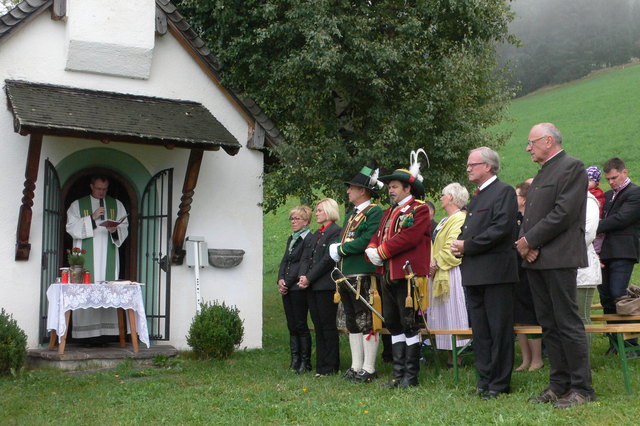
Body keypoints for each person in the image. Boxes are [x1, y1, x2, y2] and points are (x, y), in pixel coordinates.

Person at [516, 122, 595, 408]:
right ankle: (559, 385)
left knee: (567, 322)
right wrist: (527, 245)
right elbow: (533, 216)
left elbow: (563, 213)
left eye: (531, 142)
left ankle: (582, 389)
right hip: (537, 258)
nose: (528, 148)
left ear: (548, 141)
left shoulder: (572, 167)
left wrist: (530, 241)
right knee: (549, 325)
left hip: (559, 257)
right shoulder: (543, 173)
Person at [450, 147, 518, 400]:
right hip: (474, 272)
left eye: (472, 164)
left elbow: (501, 228)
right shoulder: (477, 197)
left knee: (499, 329)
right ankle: (485, 379)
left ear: (487, 166)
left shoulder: (504, 192)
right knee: (480, 330)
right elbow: (471, 230)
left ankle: (499, 383)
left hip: (497, 272)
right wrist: (458, 243)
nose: (468, 168)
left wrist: (468, 245)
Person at [366, 156, 431, 389]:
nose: (390, 190)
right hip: (387, 274)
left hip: (408, 275)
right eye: (390, 186)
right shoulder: (388, 212)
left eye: (395, 186)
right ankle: (398, 374)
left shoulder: (420, 210)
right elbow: (377, 235)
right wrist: (371, 249)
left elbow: (410, 237)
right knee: (393, 323)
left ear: (407, 188)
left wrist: (381, 251)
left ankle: (410, 377)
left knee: (409, 322)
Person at [329, 165, 384, 383]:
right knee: (352, 320)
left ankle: (369, 368)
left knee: (366, 319)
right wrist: (339, 247)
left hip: (363, 272)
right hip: (347, 273)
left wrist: (341, 249)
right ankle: (356, 365)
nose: (348, 191)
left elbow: (367, 239)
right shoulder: (353, 214)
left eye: (351, 188)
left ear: (363, 190)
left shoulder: (374, 212)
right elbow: (347, 237)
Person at [66, 176, 129, 338]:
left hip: (108, 252)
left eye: (105, 189)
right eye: (99, 189)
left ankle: (108, 332)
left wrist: (115, 230)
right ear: (91, 186)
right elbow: (71, 227)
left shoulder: (117, 204)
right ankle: (85, 334)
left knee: (108, 288)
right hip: (86, 255)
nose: (102, 192)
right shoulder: (77, 205)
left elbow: (124, 226)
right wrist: (92, 219)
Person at [596, 157, 640, 354]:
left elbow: (622, 219)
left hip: (623, 251)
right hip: (604, 252)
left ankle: (630, 344)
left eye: (614, 177)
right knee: (605, 296)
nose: (612, 181)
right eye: (608, 179)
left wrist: (592, 227)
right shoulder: (607, 195)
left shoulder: (635, 193)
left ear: (624, 172)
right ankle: (614, 343)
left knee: (618, 295)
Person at [427, 183, 469, 368]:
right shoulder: (445, 220)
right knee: (443, 313)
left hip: (451, 272)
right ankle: (447, 355)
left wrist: (435, 264)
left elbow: (452, 246)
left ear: (451, 198)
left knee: (454, 313)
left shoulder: (460, 218)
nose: (441, 197)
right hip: (439, 271)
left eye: (444, 195)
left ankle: (457, 356)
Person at [298, 198, 342, 377]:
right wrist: (303, 276)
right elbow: (307, 256)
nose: (316, 213)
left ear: (329, 211)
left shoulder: (335, 232)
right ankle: (321, 365)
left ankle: (331, 366)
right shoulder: (317, 233)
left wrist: (309, 277)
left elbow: (327, 260)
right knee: (318, 325)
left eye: (319, 210)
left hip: (325, 285)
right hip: (312, 285)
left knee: (328, 325)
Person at [278, 205, 315, 373]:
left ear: (306, 221)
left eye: (297, 219)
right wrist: (280, 279)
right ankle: (295, 359)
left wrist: (288, 281)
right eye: (292, 219)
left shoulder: (309, 239)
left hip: (298, 288)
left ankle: (305, 362)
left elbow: (302, 263)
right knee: (291, 324)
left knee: (300, 324)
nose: (293, 222)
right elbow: (285, 260)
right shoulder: (291, 238)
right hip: (287, 286)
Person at [513, 181, 543, 372]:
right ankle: (525, 359)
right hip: (515, 270)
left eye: (517, 195)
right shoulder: (515, 218)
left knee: (530, 315)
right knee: (519, 316)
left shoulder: (533, 218)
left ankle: (537, 359)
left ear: (524, 199)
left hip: (529, 270)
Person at [577, 189, 602, 350]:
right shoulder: (569, 199)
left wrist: (563, 249)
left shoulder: (589, 201)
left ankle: (582, 361)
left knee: (581, 317)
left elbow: (589, 233)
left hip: (583, 270)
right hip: (567, 268)